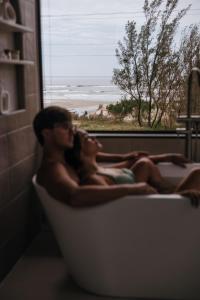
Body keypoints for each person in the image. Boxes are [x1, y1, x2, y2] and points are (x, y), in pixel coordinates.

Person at [33, 106, 200, 207]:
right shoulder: (53, 168)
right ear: (47, 133)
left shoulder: (65, 160)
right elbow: (75, 196)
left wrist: (121, 158)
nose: (71, 132)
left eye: (72, 127)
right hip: (133, 215)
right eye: (64, 127)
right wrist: (134, 188)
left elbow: (92, 158)